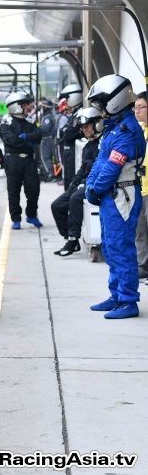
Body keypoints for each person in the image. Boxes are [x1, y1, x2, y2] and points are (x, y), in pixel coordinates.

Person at [85, 75, 145, 319]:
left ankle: (128, 301)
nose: (100, 109)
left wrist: (95, 188)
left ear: (115, 101)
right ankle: (117, 295)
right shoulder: (114, 128)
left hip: (123, 196)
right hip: (111, 195)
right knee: (110, 248)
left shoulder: (127, 130)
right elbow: (100, 162)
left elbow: (112, 167)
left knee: (121, 249)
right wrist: (91, 185)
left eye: (101, 104)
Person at [50, 108, 101, 256]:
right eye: (83, 127)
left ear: (96, 125)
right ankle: (70, 238)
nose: (85, 130)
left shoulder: (102, 145)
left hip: (96, 185)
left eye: (88, 126)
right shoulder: (88, 145)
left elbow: (101, 171)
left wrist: (83, 182)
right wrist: (75, 182)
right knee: (57, 205)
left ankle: (73, 239)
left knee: (75, 198)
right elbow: (83, 168)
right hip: (85, 182)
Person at [0, 91, 43, 229]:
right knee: (13, 190)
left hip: (29, 160)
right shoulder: (6, 123)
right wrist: (28, 141)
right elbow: (11, 140)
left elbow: (39, 134)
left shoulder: (30, 121)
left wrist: (27, 136)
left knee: (34, 188)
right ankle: (16, 219)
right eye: (25, 104)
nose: (29, 107)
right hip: (13, 160)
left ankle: (31, 215)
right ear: (16, 106)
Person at [57, 84, 84, 189]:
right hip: (68, 152)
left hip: (73, 152)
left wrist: (65, 131)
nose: (66, 102)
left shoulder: (79, 114)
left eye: (67, 99)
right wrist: (65, 131)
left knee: (71, 184)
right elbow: (62, 132)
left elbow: (68, 134)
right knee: (67, 182)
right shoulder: (74, 114)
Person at [133, 93, 148, 280]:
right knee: (140, 230)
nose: (136, 111)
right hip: (141, 187)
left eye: (141, 107)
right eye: (135, 107)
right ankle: (142, 266)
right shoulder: (140, 130)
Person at [37, 98, 57, 182]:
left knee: (45, 158)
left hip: (46, 140)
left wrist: (37, 127)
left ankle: (49, 175)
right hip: (49, 140)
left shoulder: (47, 118)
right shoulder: (48, 117)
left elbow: (45, 129)